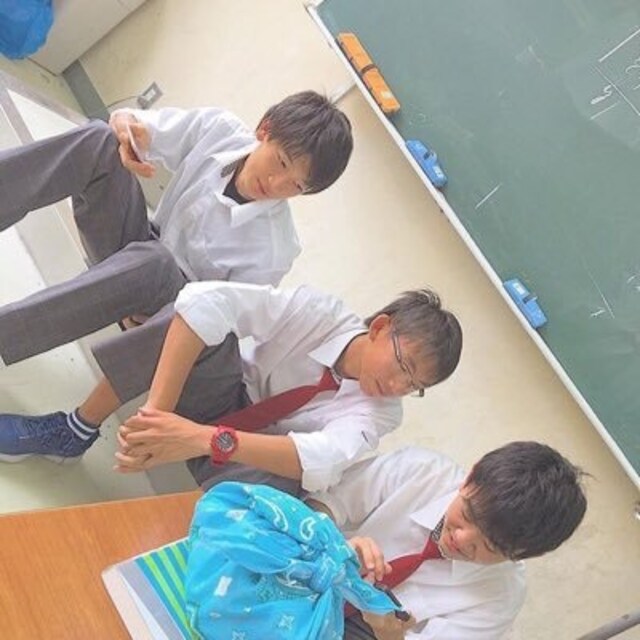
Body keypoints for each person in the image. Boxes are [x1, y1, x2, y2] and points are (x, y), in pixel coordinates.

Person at [0, 282, 463, 496]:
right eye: (403, 366)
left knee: (297, 482)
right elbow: (207, 300)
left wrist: (203, 439)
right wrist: (156, 419)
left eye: (415, 385)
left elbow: (323, 457)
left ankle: (180, 556)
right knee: (190, 320)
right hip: (218, 394)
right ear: (380, 327)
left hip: (246, 453)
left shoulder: (384, 412)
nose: (398, 385)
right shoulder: (319, 313)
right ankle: (74, 430)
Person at [0, 90, 353, 368]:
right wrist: (125, 128)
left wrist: (151, 322)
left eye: (296, 186)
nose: (277, 184)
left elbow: (221, 319)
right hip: (134, 245)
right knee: (100, 139)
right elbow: (135, 124)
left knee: (157, 264)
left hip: (165, 307)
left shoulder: (277, 249)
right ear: (265, 129)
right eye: (281, 162)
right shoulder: (220, 129)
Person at [306, 441, 588, 640]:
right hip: (309, 567)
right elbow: (321, 501)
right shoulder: (421, 471)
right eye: (468, 514)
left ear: (521, 555)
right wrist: (329, 541)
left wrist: (388, 635)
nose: (461, 539)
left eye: (490, 545)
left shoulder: (501, 595)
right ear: (470, 478)